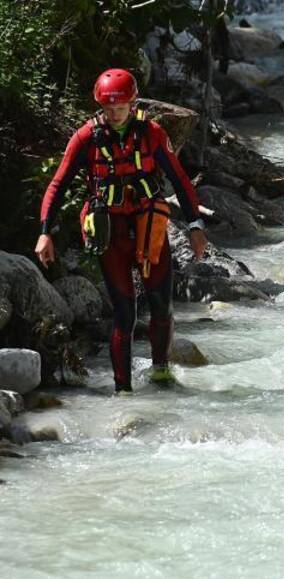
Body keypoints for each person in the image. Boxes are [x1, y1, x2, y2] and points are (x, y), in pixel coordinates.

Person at [35, 68, 207, 392]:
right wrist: (45, 231)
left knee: (161, 304)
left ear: (132, 103)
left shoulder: (152, 133)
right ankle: (123, 391)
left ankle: (161, 372)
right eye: (108, 109)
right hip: (110, 232)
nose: (114, 115)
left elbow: (181, 181)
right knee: (124, 314)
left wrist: (195, 225)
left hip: (148, 226)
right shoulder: (86, 137)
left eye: (120, 108)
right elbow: (58, 184)